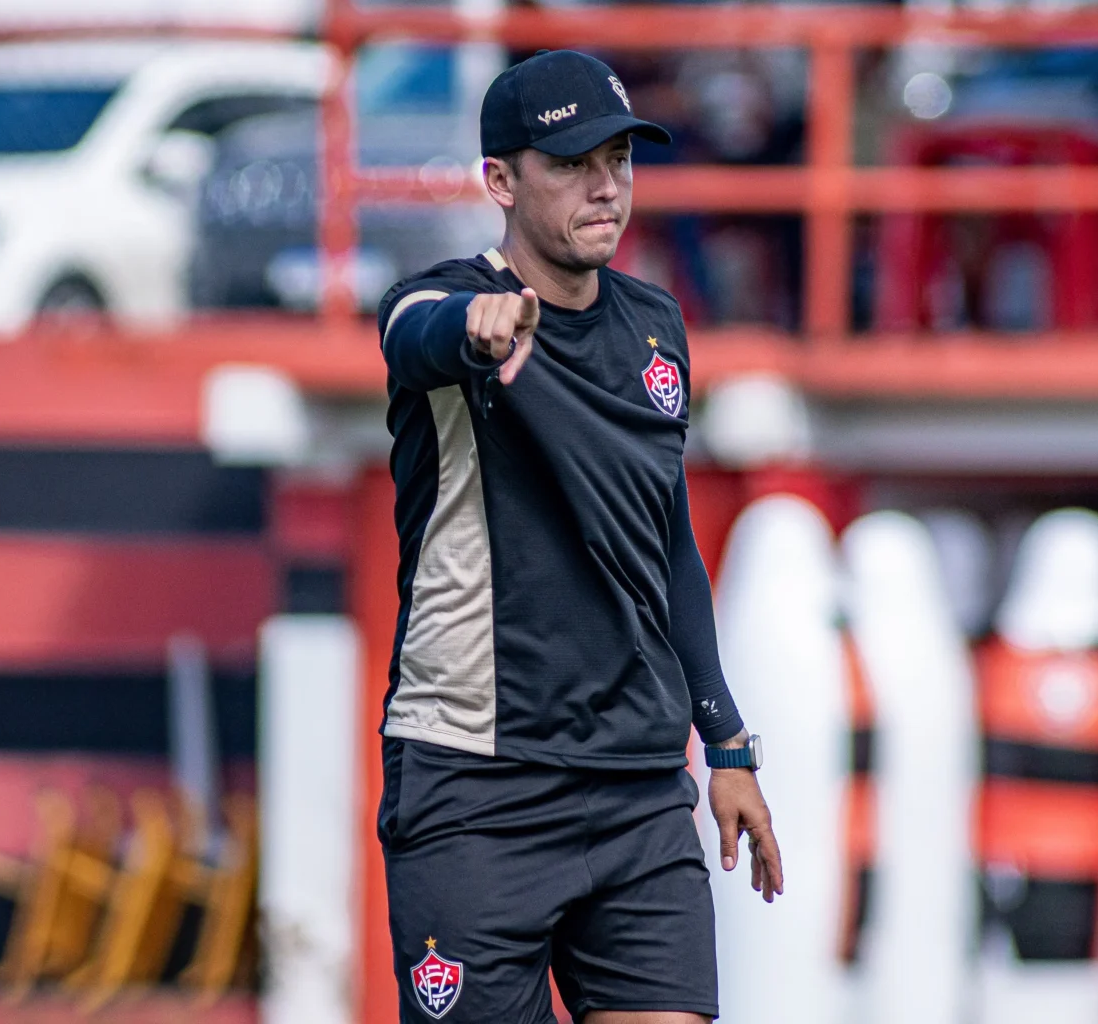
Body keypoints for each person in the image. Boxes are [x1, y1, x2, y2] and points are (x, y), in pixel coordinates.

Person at [375, 49, 783, 1024]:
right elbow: (408, 331)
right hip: (477, 787)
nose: (605, 184)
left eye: (619, 157)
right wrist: (474, 328)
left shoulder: (655, 325)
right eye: (570, 163)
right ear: (502, 182)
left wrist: (726, 745)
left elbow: (667, 543)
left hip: (641, 788)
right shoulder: (444, 306)